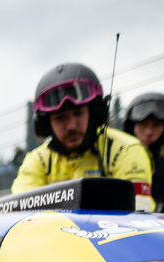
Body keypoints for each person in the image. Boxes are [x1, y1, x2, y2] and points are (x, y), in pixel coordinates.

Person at [12, 63, 154, 210]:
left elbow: (138, 215)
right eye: (61, 118)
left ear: (95, 113)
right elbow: (21, 216)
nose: (72, 125)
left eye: (78, 113)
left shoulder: (126, 150)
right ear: (45, 125)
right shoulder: (37, 160)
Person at [122, 92, 164, 213]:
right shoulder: (113, 164)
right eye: (142, 124)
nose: (149, 132)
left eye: (156, 125)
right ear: (131, 127)